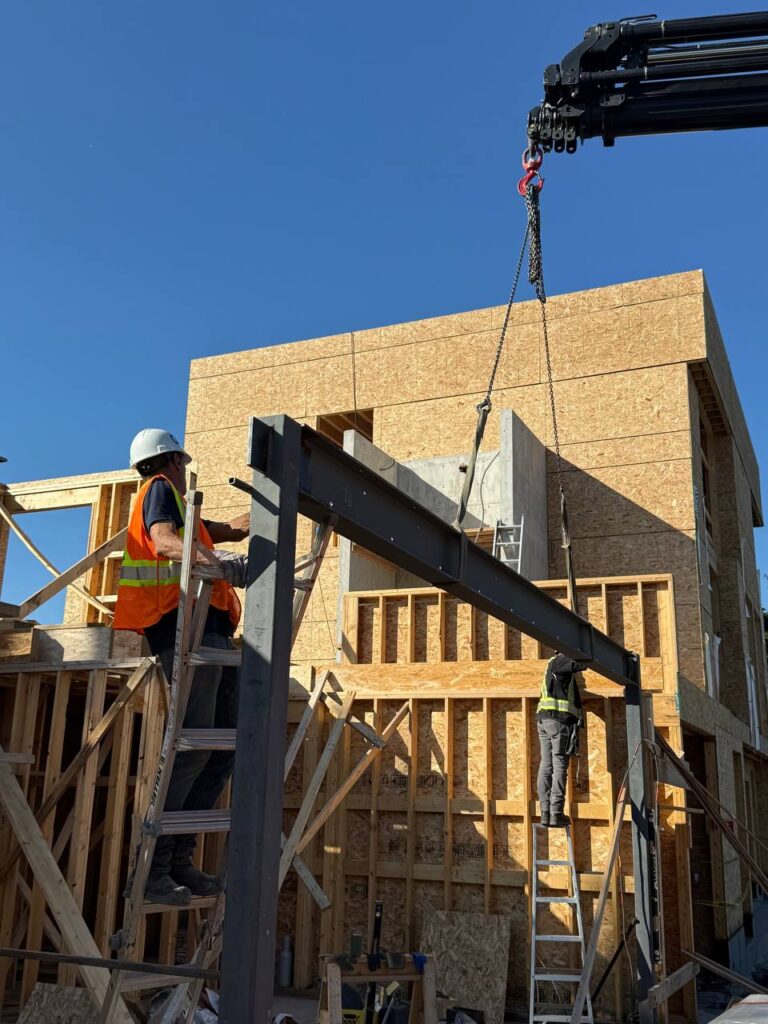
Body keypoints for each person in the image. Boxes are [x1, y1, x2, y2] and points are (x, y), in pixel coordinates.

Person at [113, 428, 249, 905]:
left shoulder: (174, 500)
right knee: (193, 745)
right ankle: (154, 869)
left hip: (207, 630)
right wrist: (221, 562)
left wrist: (249, 523)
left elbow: (218, 528)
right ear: (169, 460)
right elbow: (166, 541)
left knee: (228, 745)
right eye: (180, 461)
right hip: (180, 627)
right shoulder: (158, 492)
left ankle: (179, 861)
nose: (183, 469)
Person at [536, 653, 588, 828]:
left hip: (544, 721)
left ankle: (545, 812)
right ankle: (556, 812)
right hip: (558, 722)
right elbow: (581, 662)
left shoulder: (551, 665)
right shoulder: (560, 660)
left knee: (546, 765)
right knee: (559, 765)